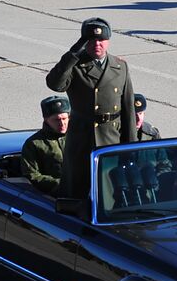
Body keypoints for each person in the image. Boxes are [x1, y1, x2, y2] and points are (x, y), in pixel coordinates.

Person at [45, 18, 136, 200]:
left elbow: (128, 109)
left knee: (109, 191)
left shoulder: (120, 66)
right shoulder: (75, 66)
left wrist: (130, 147)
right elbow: (54, 84)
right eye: (92, 40)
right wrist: (72, 54)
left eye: (101, 40)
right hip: (82, 138)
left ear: (108, 40)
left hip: (111, 137)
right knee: (77, 189)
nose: (97, 44)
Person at [21, 95, 70, 195]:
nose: (62, 123)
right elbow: (32, 175)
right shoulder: (34, 143)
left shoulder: (79, 137)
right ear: (46, 119)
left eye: (64, 118)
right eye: (57, 120)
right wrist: (59, 183)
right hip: (54, 196)